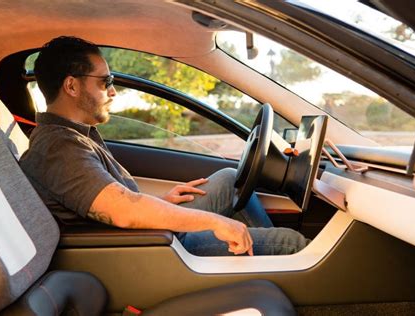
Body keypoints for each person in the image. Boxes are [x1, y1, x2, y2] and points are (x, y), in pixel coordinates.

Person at [19, 36, 309, 256]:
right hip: (147, 249)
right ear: (71, 86)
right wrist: (216, 223)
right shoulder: (58, 147)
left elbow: (110, 196)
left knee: (229, 179)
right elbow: (123, 211)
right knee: (292, 243)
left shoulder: (75, 134)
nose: (113, 91)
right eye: (105, 81)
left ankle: (262, 264)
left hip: (149, 234)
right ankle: (274, 261)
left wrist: (163, 202)